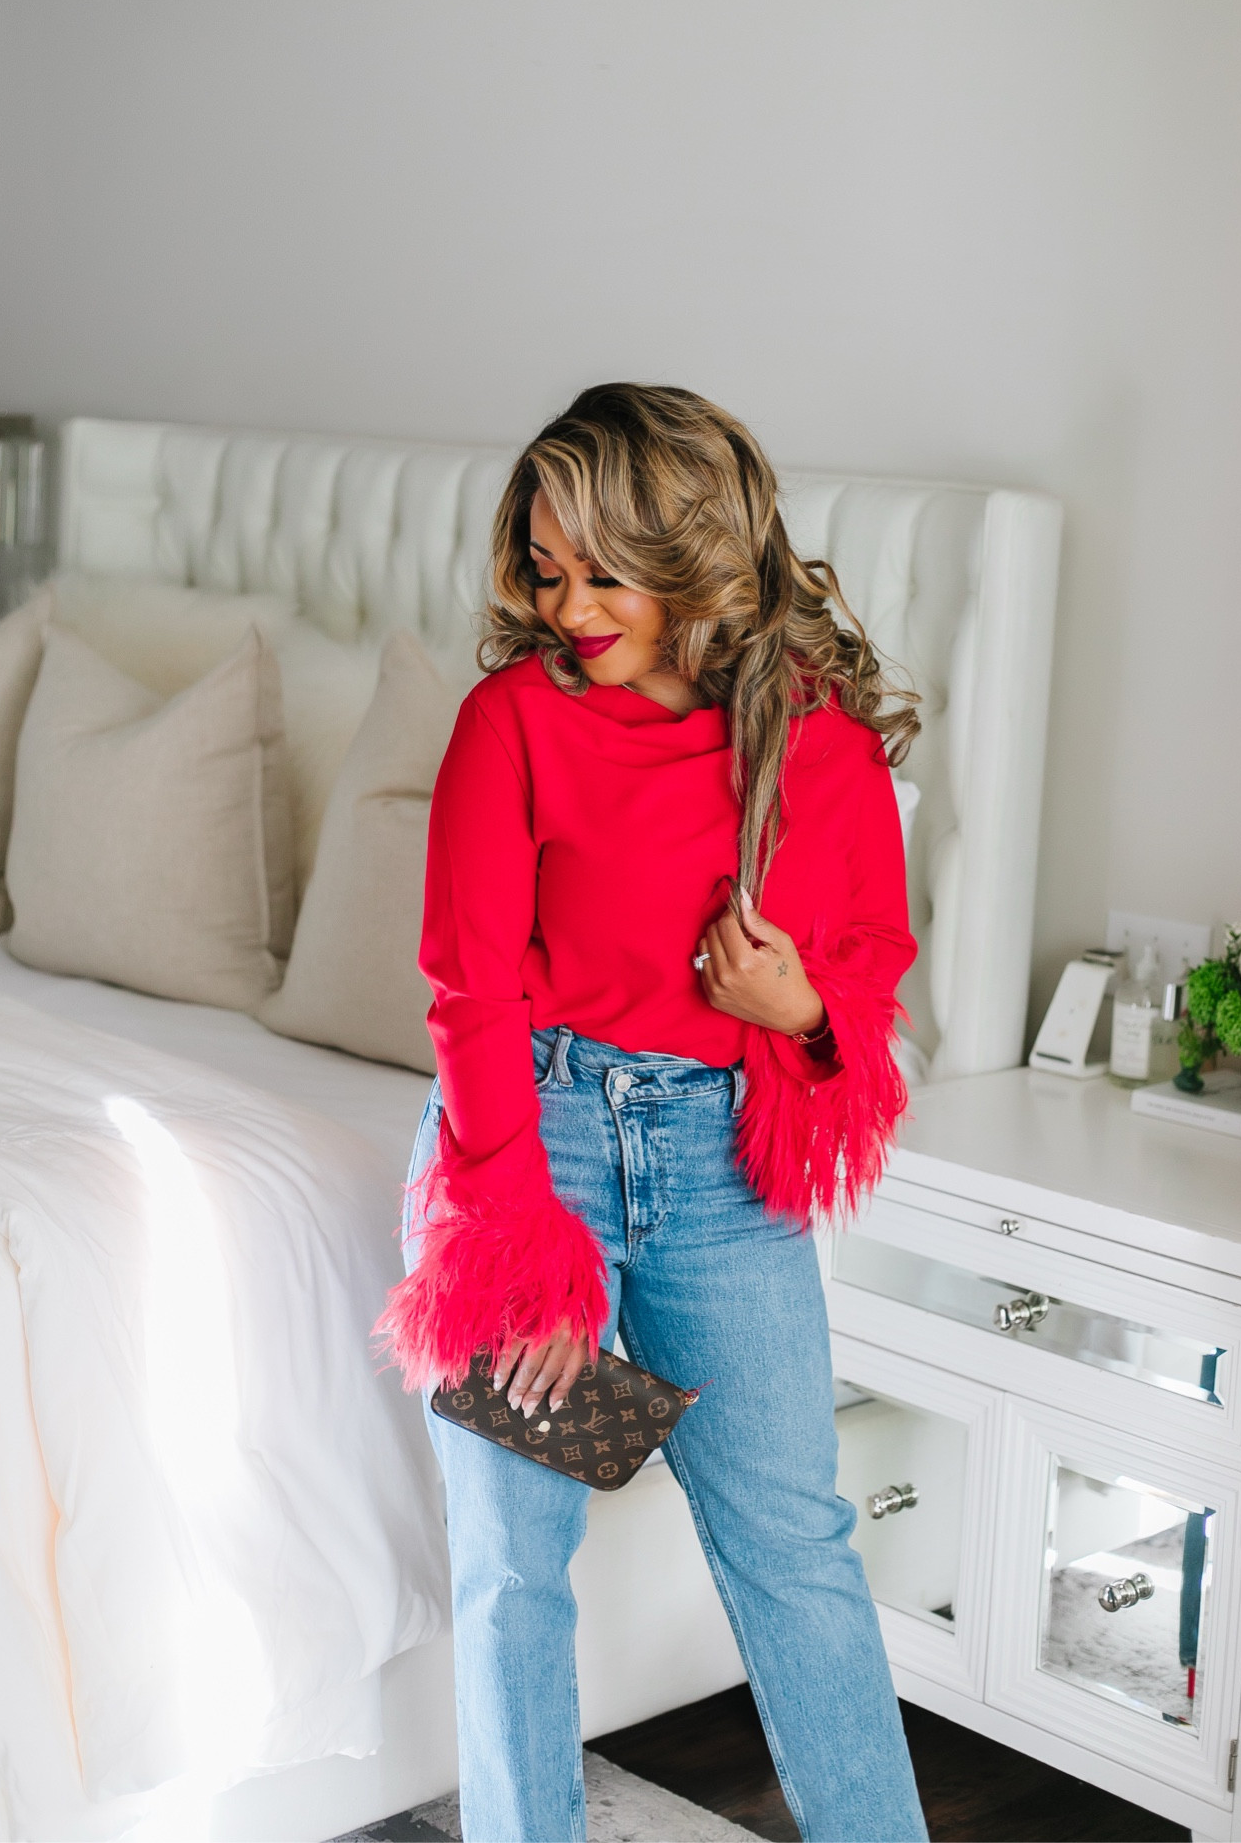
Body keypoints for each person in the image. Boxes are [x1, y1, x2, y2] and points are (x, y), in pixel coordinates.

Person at [376, 383, 928, 1843]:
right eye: (546, 571)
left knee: (793, 1546)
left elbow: (872, 967)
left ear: (695, 561)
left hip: (724, 1169)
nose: (568, 610)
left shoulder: (818, 745)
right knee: (516, 1565)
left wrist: (795, 1009)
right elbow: (470, 991)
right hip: (532, 1143)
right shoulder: (512, 722)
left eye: (603, 575)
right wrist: (520, 1243)